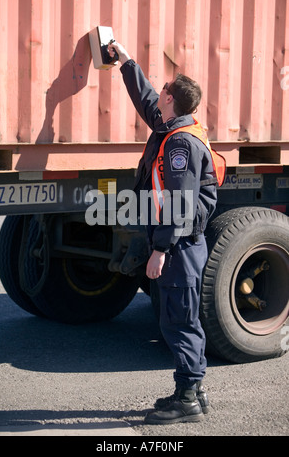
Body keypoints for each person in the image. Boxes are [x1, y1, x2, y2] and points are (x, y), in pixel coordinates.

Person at [108, 42, 217, 425]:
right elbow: (147, 100)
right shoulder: (174, 124)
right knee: (181, 316)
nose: (160, 94)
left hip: (180, 245)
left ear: (171, 98)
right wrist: (125, 63)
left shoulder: (180, 144)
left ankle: (187, 398)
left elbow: (178, 203)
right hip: (183, 244)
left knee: (178, 319)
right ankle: (194, 392)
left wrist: (160, 249)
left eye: (164, 90)